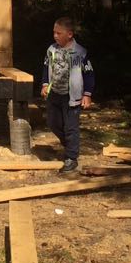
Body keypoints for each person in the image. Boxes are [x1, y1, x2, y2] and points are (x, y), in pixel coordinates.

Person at [40, 16, 95, 173]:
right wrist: (45, 84)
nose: (55, 36)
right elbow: (46, 68)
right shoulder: (51, 50)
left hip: (72, 97)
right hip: (55, 94)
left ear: (69, 34)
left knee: (71, 127)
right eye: (54, 32)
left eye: (59, 33)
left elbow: (89, 74)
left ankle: (71, 158)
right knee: (53, 123)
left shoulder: (80, 52)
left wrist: (87, 94)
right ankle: (70, 145)